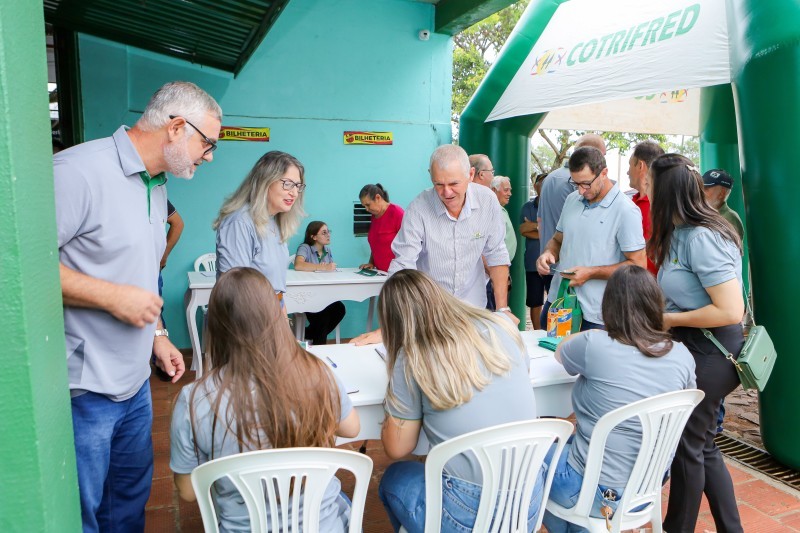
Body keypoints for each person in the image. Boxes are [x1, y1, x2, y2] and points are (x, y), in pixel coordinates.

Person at [54, 81, 220, 531]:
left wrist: (159, 335)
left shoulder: (157, 185)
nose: (208, 157)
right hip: (85, 386)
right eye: (208, 144)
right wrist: (111, 297)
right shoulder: (77, 172)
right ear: (177, 128)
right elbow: (22, 268)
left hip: (135, 385)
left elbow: (140, 272)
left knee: (127, 504)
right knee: (82, 512)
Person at [170, 267, 360, 532]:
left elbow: (189, 491)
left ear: (216, 326)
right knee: (342, 501)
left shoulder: (193, 399)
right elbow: (351, 428)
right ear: (277, 315)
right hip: (323, 526)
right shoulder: (316, 371)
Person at [376, 269, 543, 532]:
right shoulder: (501, 327)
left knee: (395, 478)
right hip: (528, 503)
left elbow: (397, 448)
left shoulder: (412, 358)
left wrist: (393, 405)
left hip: (468, 514)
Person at [543, 265, 696, 533]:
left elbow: (560, 352)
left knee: (529, 454)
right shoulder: (682, 356)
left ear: (609, 306)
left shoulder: (595, 344)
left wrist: (599, 332)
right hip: (645, 488)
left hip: (590, 490)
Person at [648, 155, 745, 533]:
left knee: (687, 447)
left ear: (665, 190)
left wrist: (668, 319)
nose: (645, 189)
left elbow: (730, 309)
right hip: (696, 348)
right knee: (702, 446)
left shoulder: (703, 236)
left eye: (651, 184)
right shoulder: (679, 232)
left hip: (713, 351)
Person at [352, 144, 513, 345]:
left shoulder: (488, 201)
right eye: (438, 184)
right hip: (429, 312)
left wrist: (502, 310)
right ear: (430, 176)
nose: (446, 192)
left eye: (454, 183)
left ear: (471, 174)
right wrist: (391, 327)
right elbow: (403, 266)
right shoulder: (418, 208)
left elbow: (496, 253)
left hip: (473, 308)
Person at [536, 147, 646, 330]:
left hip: (597, 314)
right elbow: (557, 239)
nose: (580, 191)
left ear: (604, 173)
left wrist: (591, 273)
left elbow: (638, 265)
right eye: (575, 183)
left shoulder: (625, 210)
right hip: (559, 301)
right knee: (551, 355)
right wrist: (548, 253)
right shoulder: (572, 200)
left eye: (586, 184)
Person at [214, 151, 306, 302]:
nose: (294, 193)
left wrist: (282, 318)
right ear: (265, 181)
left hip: (273, 309)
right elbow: (235, 291)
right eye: (287, 184)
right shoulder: (240, 222)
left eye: (298, 186)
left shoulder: (275, 220)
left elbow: (277, 289)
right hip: (249, 317)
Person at [537, 134, 606, 294]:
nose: (582, 190)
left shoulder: (549, 178)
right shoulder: (576, 190)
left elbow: (540, 221)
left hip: (550, 265)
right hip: (571, 270)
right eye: (602, 155)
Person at [294, 221, 347, 345]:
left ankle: (309, 334)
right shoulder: (305, 247)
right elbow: (298, 265)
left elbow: (329, 270)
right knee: (322, 315)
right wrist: (321, 267)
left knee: (340, 309)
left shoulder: (327, 250)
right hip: (308, 295)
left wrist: (330, 269)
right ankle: (319, 348)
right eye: (324, 233)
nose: (328, 235)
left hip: (324, 293)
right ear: (313, 236)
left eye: (328, 232)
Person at [626, 141, 665, 275]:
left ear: (640, 165)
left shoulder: (660, 206)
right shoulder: (631, 203)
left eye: (630, 165)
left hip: (652, 287)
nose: (627, 172)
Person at [520, 173, 547, 329]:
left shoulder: (554, 205)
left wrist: (533, 225)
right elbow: (523, 230)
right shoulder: (527, 207)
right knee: (535, 301)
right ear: (535, 185)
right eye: (541, 183)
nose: (543, 187)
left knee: (554, 300)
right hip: (532, 263)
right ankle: (537, 332)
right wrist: (542, 227)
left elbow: (556, 231)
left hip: (553, 263)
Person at [486, 174, 517, 310]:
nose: (510, 193)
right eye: (506, 190)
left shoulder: (499, 209)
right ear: (493, 190)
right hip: (493, 273)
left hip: (501, 270)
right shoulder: (491, 211)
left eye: (510, 190)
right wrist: (494, 275)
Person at [358, 183, 404, 272]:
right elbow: (376, 244)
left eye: (368, 205)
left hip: (396, 273)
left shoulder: (397, 213)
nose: (366, 209)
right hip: (380, 273)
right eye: (364, 206)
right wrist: (371, 262)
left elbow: (408, 244)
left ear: (378, 198)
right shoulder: (374, 216)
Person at [702, 168, 745, 239]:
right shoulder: (704, 213)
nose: (701, 192)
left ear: (722, 193)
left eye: (705, 188)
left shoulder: (730, 218)